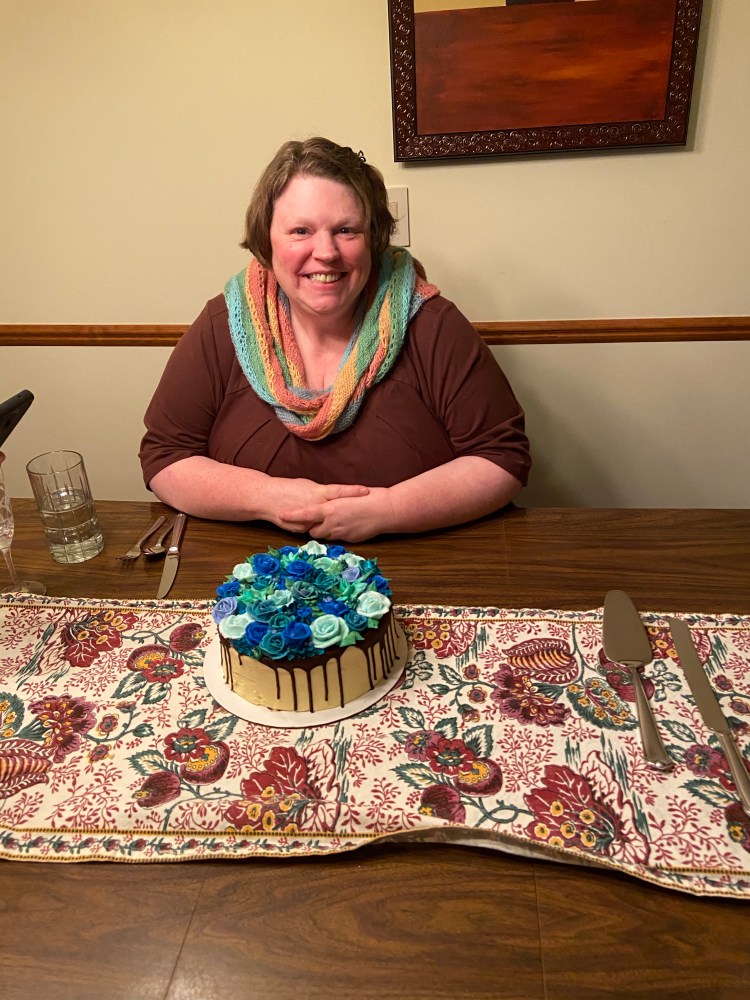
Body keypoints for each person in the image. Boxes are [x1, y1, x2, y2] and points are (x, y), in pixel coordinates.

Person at [140, 137, 530, 542]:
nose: (325, 252)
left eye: (346, 230)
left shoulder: (432, 323)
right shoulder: (222, 324)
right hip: (246, 586)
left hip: (417, 573)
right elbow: (165, 458)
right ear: (266, 240)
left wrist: (388, 511)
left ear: (374, 238)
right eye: (300, 231)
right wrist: (271, 497)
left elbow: (502, 459)